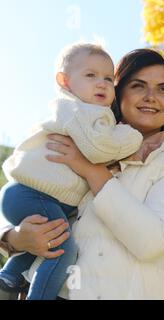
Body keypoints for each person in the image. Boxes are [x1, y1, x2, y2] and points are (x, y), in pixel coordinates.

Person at [0, 48, 164, 300]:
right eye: (138, 86)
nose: (151, 97)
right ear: (119, 94)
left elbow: (151, 242)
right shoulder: (80, 135)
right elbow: (29, 185)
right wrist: (13, 237)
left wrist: (89, 169)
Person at [0, 42, 143, 299]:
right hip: (32, 193)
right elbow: (97, 148)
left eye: (108, 78)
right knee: (63, 251)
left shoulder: (90, 113)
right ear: (64, 81)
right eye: (91, 75)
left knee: (47, 238)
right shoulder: (74, 109)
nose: (102, 83)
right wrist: (133, 137)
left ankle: (10, 276)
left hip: (41, 197)